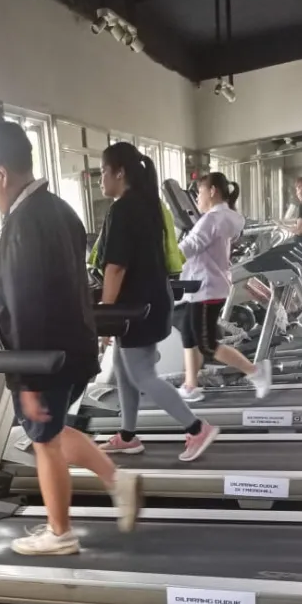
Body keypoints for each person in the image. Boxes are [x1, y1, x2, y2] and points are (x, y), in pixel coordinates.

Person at [0, 120, 138, 556]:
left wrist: (25, 380)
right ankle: (117, 479)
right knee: (52, 432)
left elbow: (26, 307)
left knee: (44, 441)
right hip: (73, 349)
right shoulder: (60, 209)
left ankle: (60, 533)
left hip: (43, 358)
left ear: (0, 173)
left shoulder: (21, 224)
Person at [94, 142, 218, 462]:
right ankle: (128, 436)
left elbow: (115, 267)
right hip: (152, 300)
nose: (100, 179)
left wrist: (105, 316)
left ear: (119, 172)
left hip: (136, 307)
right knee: (125, 370)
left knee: (141, 375)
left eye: (103, 172)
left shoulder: (123, 209)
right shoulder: (147, 204)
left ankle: (196, 428)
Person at [178, 172, 272, 403]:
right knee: (188, 334)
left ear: (212, 191)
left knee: (207, 345)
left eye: (199, 192)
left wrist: (163, 253)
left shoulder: (211, 219)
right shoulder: (222, 217)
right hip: (203, 287)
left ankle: (256, 372)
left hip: (206, 288)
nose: (197, 198)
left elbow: (189, 247)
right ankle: (190, 385)